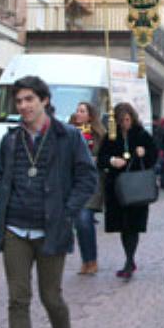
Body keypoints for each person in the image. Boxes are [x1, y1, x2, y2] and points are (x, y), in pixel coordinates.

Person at [0, 75, 97, 328]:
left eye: (29, 100)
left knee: (51, 297)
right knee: (18, 300)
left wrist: (68, 211)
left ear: (44, 101)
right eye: (18, 101)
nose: (23, 106)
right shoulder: (11, 140)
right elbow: (1, 176)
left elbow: (87, 177)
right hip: (16, 228)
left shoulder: (68, 137)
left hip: (52, 229)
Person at [98, 102, 158, 279]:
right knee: (123, 226)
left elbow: (154, 155)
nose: (125, 123)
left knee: (133, 226)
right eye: (121, 120)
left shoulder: (141, 135)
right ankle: (129, 258)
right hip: (117, 188)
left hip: (137, 186)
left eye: (127, 119)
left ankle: (130, 260)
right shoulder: (110, 136)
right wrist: (111, 161)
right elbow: (101, 158)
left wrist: (144, 153)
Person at [69, 102, 105, 275]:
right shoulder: (70, 132)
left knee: (85, 219)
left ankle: (92, 260)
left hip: (92, 182)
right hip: (74, 182)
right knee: (79, 222)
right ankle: (86, 260)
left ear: (90, 115)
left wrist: (98, 159)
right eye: (77, 110)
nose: (78, 114)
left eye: (82, 111)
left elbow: (106, 155)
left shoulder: (98, 134)